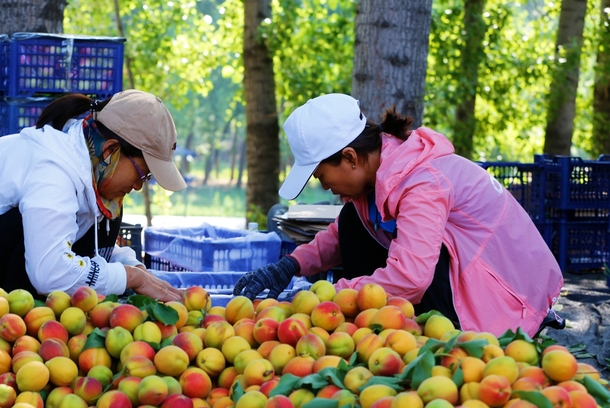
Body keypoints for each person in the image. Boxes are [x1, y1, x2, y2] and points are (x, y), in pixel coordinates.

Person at [234, 93, 564, 337]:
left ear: (350, 158)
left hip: (505, 298)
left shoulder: (423, 182)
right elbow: (339, 236)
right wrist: (290, 265)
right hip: (467, 278)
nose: (324, 187)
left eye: (320, 176)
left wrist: (329, 297)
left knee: (410, 263)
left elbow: (412, 278)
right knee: (351, 221)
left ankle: (406, 333)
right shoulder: (378, 177)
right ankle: (376, 331)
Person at [0, 89, 186, 312]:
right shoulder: (51, 172)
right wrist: (129, 278)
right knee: (28, 231)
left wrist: (132, 267)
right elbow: (49, 272)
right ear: (110, 151)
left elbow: (78, 239)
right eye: (142, 174)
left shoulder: (86, 172)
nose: (138, 186)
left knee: (107, 211)